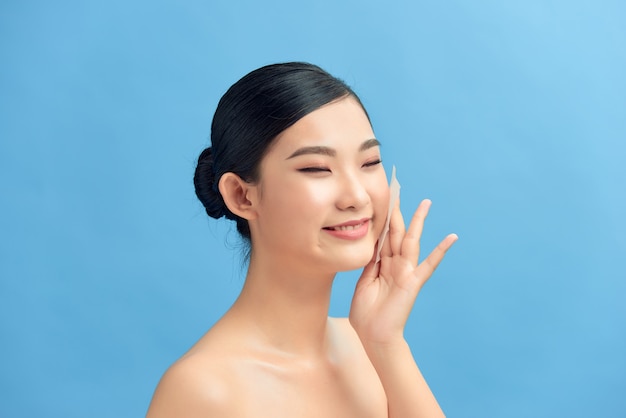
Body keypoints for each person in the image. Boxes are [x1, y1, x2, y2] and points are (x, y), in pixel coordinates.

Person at [146, 62, 457, 418]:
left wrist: (386, 342)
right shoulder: (203, 391)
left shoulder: (368, 347)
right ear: (241, 196)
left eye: (369, 162)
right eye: (316, 168)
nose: (356, 196)